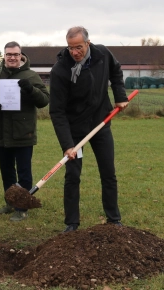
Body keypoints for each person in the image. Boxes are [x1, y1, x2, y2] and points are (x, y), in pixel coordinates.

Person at [49, 26, 129, 232]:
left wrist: (120, 95)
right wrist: (68, 145)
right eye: (70, 48)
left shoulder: (102, 54)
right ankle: (72, 223)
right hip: (75, 131)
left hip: (101, 123)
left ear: (88, 43)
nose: (74, 52)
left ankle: (114, 219)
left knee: (108, 172)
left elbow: (116, 71)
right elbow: (57, 112)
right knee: (73, 176)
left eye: (78, 47)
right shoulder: (60, 70)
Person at [0, 41, 49, 222]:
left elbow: (44, 100)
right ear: (4, 56)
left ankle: (21, 207)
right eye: (8, 54)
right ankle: (9, 202)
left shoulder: (31, 76)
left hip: (24, 132)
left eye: (15, 54)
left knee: (23, 172)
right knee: (6, 171)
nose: (12, 57)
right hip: (1, 132)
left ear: (21, 56)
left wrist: (30, 90)